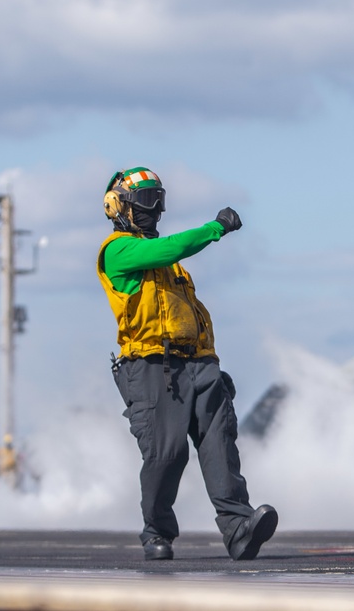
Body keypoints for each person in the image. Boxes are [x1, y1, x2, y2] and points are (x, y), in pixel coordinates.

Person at [96, 166, 277, 562]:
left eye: (158, 200)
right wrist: (216, 228)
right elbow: (172, 246)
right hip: (151, 368)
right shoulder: (118, 250)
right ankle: (156, 532)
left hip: (198, 364)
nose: (155, 210)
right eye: (146, 201)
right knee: (167, 452)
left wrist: (210, 364)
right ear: (119, 206)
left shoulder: (171, 268)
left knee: (220, 445)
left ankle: (239, 528)